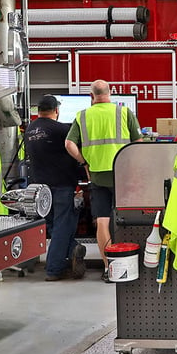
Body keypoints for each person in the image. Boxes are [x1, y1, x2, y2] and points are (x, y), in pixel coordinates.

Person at [65, 80, 143, 281]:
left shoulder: (83, 116)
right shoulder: (123, 112)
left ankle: (110, 267)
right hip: (123, 175)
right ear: (111, 93)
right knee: (125, 218)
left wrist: (84, 162)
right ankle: (129, 262)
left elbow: (69, 144)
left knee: (102, 221)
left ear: (92, 96)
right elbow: (139, 143)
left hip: (98, 175)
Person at [25, 95, 86, 281]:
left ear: (38, 110)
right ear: (56, 110)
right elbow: (75, 151)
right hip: (61, 185)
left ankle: (73, 249)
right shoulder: (62, 130)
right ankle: (54, 269)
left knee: (52, 225)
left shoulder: (29, 129)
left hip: (39, 187)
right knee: (63, 226)